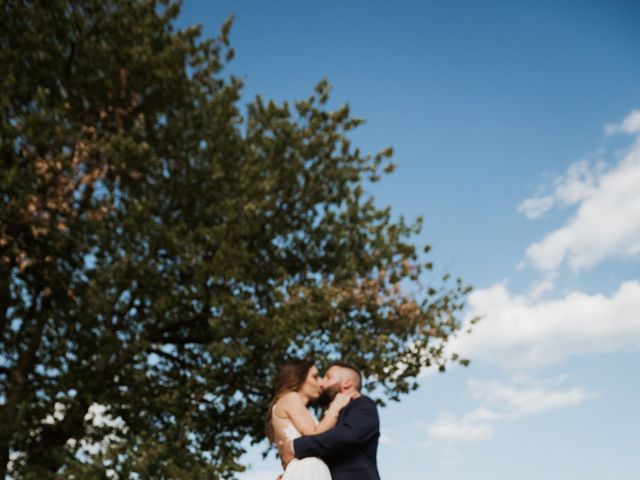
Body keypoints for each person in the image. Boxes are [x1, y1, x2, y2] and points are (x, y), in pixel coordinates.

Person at [279, 362, 381, 480]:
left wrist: (294, 447)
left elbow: (349, 435)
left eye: (328, 377)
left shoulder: (362, 404)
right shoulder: (330, 416)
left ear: (347, 383)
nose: (321, 382)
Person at [266, 359, 354, 480]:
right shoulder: (291, 398)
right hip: (307, 469)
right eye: (315, 376)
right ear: (299, 377)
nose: (321, 383)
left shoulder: (296, 406)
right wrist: (336, 407)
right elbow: (314, 434)